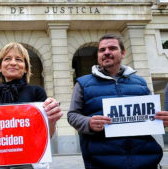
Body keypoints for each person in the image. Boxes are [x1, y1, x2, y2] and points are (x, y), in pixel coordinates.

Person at [67, 34, 168, 169]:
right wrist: (88, 123)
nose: (107, 52)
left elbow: (152, 117)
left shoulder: (141, 83)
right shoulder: (83, 83)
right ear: (98, 55)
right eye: (102, 50)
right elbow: (72, 115)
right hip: (101, 162)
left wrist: (162, 120)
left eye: (112, 48)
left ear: (123, 53)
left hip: (145, 161)